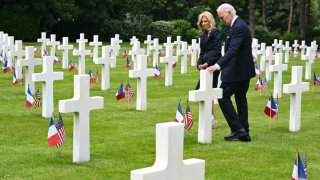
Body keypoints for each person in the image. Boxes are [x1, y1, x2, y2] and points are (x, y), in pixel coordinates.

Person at [207, 3, 255, 142]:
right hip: (242, 71)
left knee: (222, 96)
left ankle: (237, 128)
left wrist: (217, 65)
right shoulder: (237, 25)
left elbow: (233, 50)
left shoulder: (238, 27)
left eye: (222, 17)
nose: (222, 20)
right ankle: (244, 132)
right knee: (240, 100)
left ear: (229, 12)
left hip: (237, 71)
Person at [195, 11, 222, 128]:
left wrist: (207, 63)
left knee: (208, 91)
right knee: (202, 90)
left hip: (212, 66)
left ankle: (211, 118)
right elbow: (202, 52)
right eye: (202, 21)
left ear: (211, 21)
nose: (203, 23)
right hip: (204, 66)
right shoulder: (203, 35)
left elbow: (217, 51)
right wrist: (199, 64)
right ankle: (210, 117)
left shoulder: (216, 33)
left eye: (206, 21)